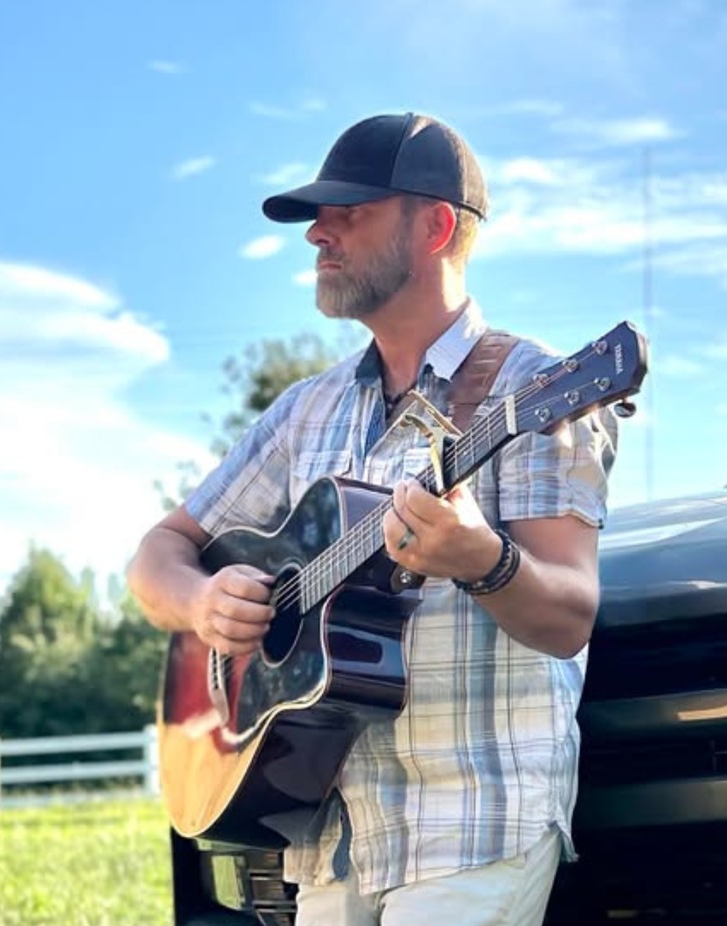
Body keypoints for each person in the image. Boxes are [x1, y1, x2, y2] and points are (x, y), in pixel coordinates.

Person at [126, 112, 618, 926]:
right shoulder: (305, 411)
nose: (318, 232)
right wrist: (202, 601)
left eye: (349, 211)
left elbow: (569, 617)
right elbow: (157, 555)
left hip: (473, 819)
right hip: (328, 833)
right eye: (319, 215)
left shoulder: (536, 391)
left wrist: (482, 560)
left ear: (436, 227)